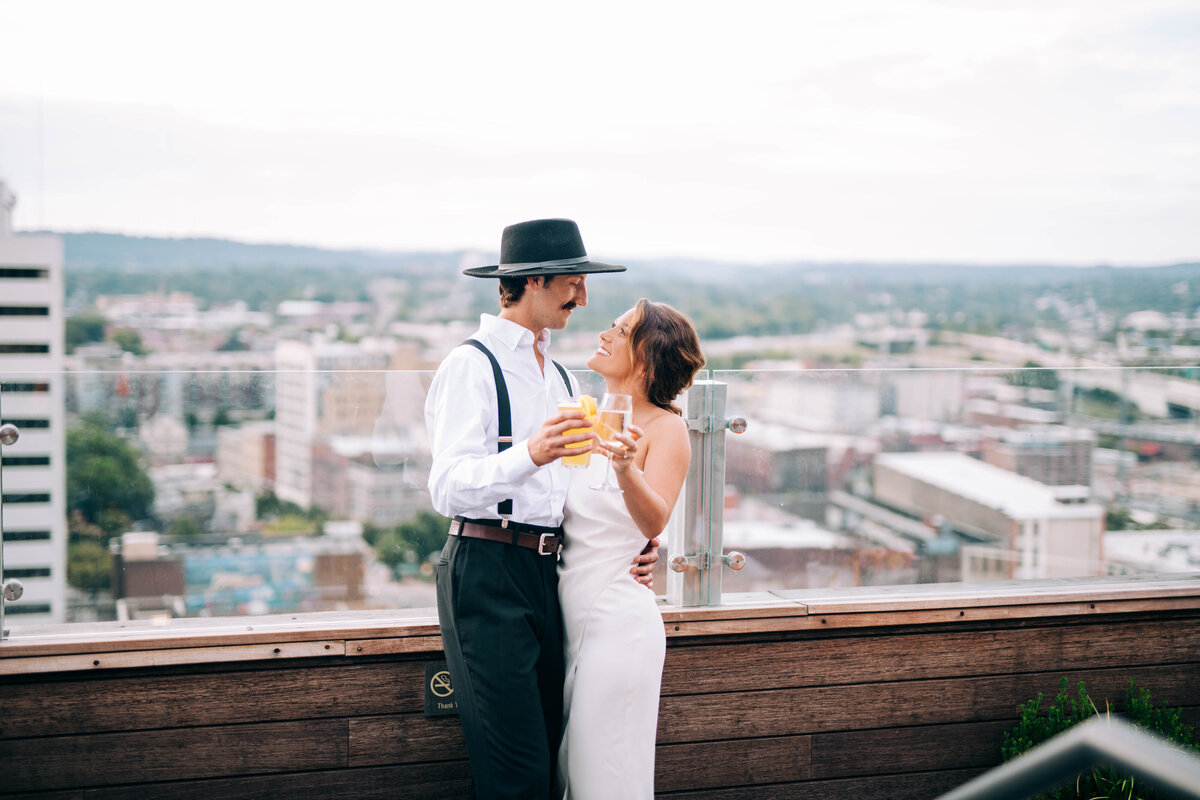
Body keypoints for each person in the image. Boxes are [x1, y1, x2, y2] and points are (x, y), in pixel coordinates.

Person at [425, 218, 658, 800]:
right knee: (516, 772)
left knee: (551, 758)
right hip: (486, 568)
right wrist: (528, 453)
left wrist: (637, 547)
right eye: (573, 282)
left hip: (548, 575)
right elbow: (447, 488)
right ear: (533, 282)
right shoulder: (470, 366)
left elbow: (570, 494)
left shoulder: (556, 375)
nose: (584, 297)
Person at [557, 299, 705, 799]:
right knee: (567, 776)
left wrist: (625, 469)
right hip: (562, 620)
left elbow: (655, 517)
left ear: (644, 359)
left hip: (619, 627)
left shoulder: (667, 429)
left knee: (606, 775)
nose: (604, 333)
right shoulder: (583, 416)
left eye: (619, 331)